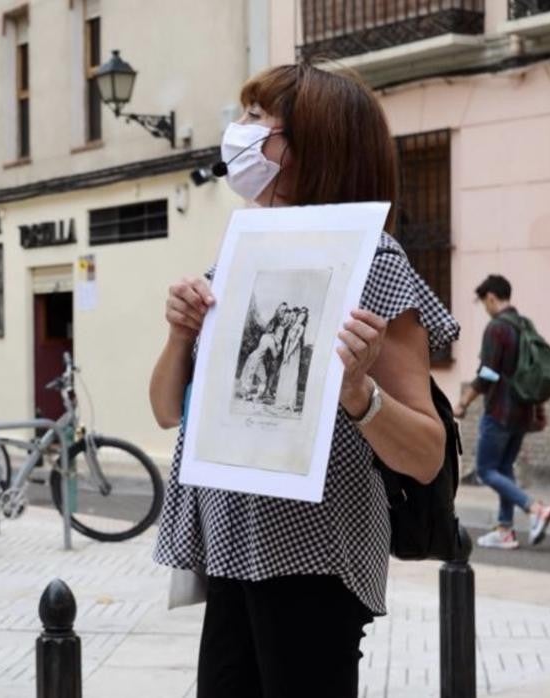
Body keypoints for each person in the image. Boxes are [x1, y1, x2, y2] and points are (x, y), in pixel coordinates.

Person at [148, 64, 460, 698]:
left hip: (314, 557)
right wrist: (181, 334)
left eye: (259, 119)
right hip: (234, 546)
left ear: (312, 145)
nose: (239, 131)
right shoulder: (240, 252)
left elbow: (427, 454)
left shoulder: (374, 261)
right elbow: (163, 411)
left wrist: (360, 396)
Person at [455, 274, 550, 549]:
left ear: (491, 297)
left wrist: (464, 401)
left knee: (486, 470)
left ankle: (535, 509)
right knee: (503, 469)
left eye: (484, 302)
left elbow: (488, 373)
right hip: (522, 412)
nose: (485, 308)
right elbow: (532, 371)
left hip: (499, 412)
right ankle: (505, 531)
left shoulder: (497, 328)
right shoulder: (524, 325)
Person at [275, 307, 308, 412]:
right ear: (298, 316)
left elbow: (296, 342)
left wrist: (289, 354)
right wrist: (285, 354)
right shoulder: (292, 325)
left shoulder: (301, 327)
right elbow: (287, 342)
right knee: (285, 373)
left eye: (304, 317)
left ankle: (290, 403)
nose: (301, 318)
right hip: (288, 350)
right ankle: (281, 401)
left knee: (292, 375)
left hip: (294, 352)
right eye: (301, 316)